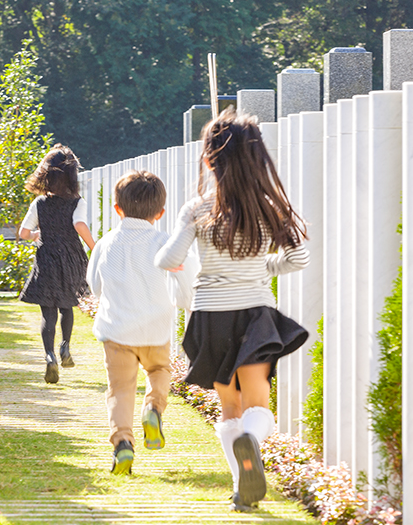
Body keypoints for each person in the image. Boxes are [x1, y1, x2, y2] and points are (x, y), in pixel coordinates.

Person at [155, 109, 310, 511]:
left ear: (209, 160)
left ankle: (243, 486)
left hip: (210, 316)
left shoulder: (197, 208)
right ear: (257, 157)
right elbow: (298, 259)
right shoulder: (269, 206)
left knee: (230, 408)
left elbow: (168, 259)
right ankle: (252, 445)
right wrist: (261, 266)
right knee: (259, 406)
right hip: (255, 314)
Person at [86, 170, 193, 475]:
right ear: (160, 213)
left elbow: (94, 286)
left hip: (116, 329)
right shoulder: (165, 242)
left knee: (120, 389)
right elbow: (180, 280)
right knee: (159, 371)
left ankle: (122, 444)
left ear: (117, 208)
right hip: (155, 329)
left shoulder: (106, 243)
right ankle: (153, 409)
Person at [19, 144, 96, 384]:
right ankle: (65, 347)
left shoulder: (40, 203)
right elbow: (80, 225)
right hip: (71, 259)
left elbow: (23, 232)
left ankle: (49, 355)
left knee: (47, 313)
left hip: (46, 258)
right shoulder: (76, 202)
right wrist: (95, 246)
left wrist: (35, 236)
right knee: (67, 306)